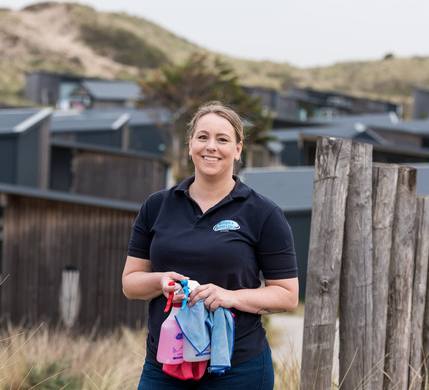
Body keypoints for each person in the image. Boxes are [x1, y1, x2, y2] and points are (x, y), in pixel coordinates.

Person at [122, 101, 299, 389]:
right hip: (165, 365)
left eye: (222, 139)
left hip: (237, 369)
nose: (211, 147)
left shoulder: (263, 213)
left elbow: (287, 296)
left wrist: (229, 297)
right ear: (190, 144)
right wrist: (161, 280)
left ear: (238, 150)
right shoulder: (156, 206)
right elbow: (130, 284)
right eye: (202, 137)